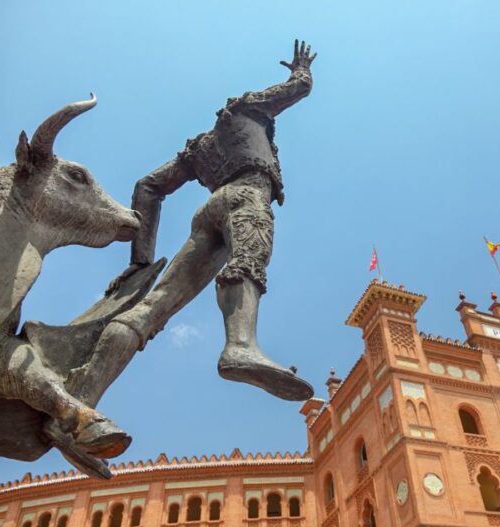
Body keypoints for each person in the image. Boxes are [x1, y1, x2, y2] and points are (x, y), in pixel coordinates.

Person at [65, 41, 317, 453]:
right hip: (248, 196)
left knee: (154, 306)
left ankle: (79, 406)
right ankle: (241, 346)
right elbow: (299, 88)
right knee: (248, 261)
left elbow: (147, 186)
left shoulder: (199, 148)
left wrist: (140, 260)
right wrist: (301, 70)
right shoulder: (251, 108)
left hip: (208, 212)